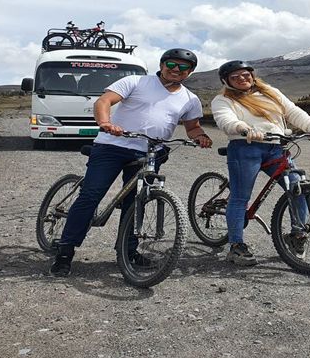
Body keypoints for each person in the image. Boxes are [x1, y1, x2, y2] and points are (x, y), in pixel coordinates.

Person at [49, 48, 213, 277]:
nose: (176, 69)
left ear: (190, 71)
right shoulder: (136, 81)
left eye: (183, 67)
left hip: (150, 152)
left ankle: (128, 251)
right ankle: (65, 252)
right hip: (112, 146)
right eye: (171, 64)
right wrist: (105, 123)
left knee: (137, 202)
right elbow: (104, 101)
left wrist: (200, 136)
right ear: (162, 65)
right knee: (91, 195)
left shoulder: (190, 99)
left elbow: (192, 127)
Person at [211, 60, 310, 266]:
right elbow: (225, 119)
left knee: (297, 187)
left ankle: (297, 235)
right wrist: (244, 128)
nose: (242, 78)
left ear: (252, 75)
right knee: (240, 197)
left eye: (245, 74)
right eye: (235, 77)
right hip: (245, 148)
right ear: (226, 81)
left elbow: (293, 112)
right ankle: (236, 246)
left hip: (277, 147)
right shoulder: (222, 100)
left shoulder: (270, 92)